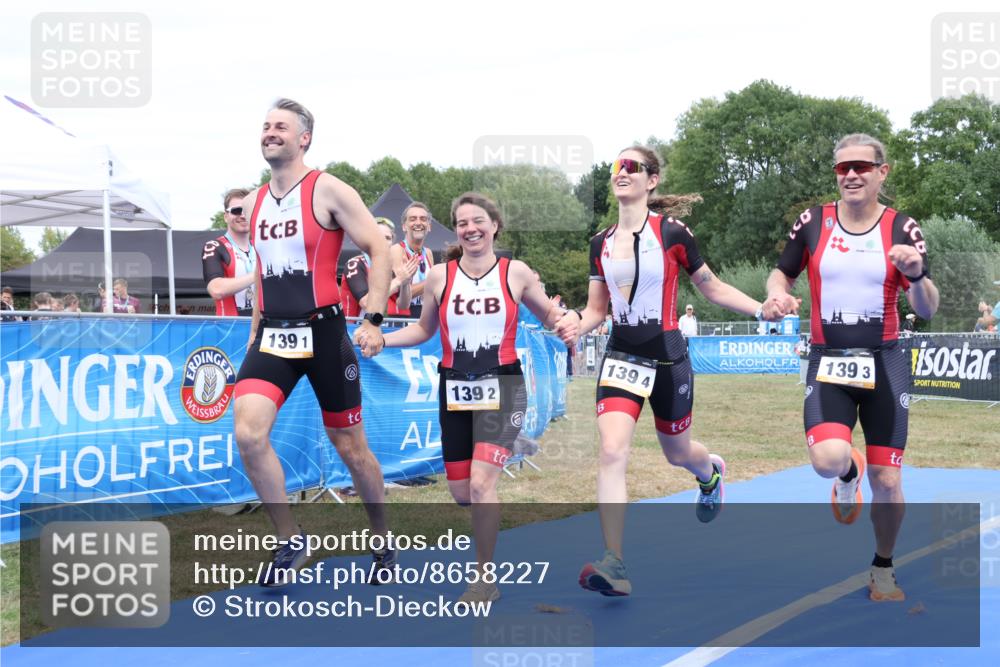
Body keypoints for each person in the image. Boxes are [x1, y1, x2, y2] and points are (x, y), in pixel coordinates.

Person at [556, 146, 781, 597]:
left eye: (631, 167)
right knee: (612, 451)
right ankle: (614, 562)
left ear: (652, 180)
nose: (621, 172)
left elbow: (711, 287)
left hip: (667, 359)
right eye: (616, 167)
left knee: (676, 453)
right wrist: (574, 325)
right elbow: (597, 310)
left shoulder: (673, 232)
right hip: (622, 356)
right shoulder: (599, 243)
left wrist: (762, 309)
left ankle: (710, 472)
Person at [766, 133, 939, 602]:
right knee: (827, 462)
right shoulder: (814, 222)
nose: (852, 175)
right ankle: (846, 474)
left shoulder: (903, 228)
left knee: (887, 479)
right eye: (843, 168)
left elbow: (926, 307)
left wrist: (918, 273)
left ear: (883, 172)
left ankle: (883, 567)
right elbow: (783, 271)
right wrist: (775, 293)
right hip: (827, 362)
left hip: (884, 365)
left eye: (862, 166)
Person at [383, 192, 577, 605]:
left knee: (480, 483)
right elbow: (422, 331)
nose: (470, 229)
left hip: (503, 385)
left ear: (494, 226)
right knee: (460, 493)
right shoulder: (440, 277)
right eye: (462, 224)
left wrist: (573, 322)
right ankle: (512, 443)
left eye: (478, 221)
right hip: (454, 387)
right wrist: (380, 340)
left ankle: (484, 577)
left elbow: (550, 316)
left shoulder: (516, 272)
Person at [233, 98, 394, 587]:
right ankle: (291, 539)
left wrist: (374, 318)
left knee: (351, 448)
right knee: (248, 433)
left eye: (280, 126)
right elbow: (263, 272)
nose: (269, 132)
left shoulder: (327, 188)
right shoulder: (255, 201)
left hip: (325, 332)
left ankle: (383, 539)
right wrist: (254, 333)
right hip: (274, 334)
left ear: (304, 138)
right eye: (264, 126)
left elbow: (379, 247)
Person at [340, 217, 415, 318]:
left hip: (382, 328)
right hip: (352, 328)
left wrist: (405, 283)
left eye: (388, 238)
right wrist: (398, 281)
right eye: (378, 237)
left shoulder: (391, 267)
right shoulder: (355, 263)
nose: (383, 242)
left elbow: (403, 305)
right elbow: (366, 303)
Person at [202, 188, 257, 316]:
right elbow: (216, 289)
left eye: (247, 210)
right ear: (226, 217)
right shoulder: (214, 246)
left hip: (261, 328)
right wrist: (257, 275)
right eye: (236, 211)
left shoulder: (261, 247)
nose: (243, 215)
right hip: (229, 329)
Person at [389, 201, 435, 318]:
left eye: (423, 219)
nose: (418, 223)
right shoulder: (397, 250)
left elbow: (429, 293)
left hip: (426, 313)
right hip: (403, 316)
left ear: (429, 226)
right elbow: (403, 291)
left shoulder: (428, 253)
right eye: (413, 219)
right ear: (404, 226)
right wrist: (435, 280)